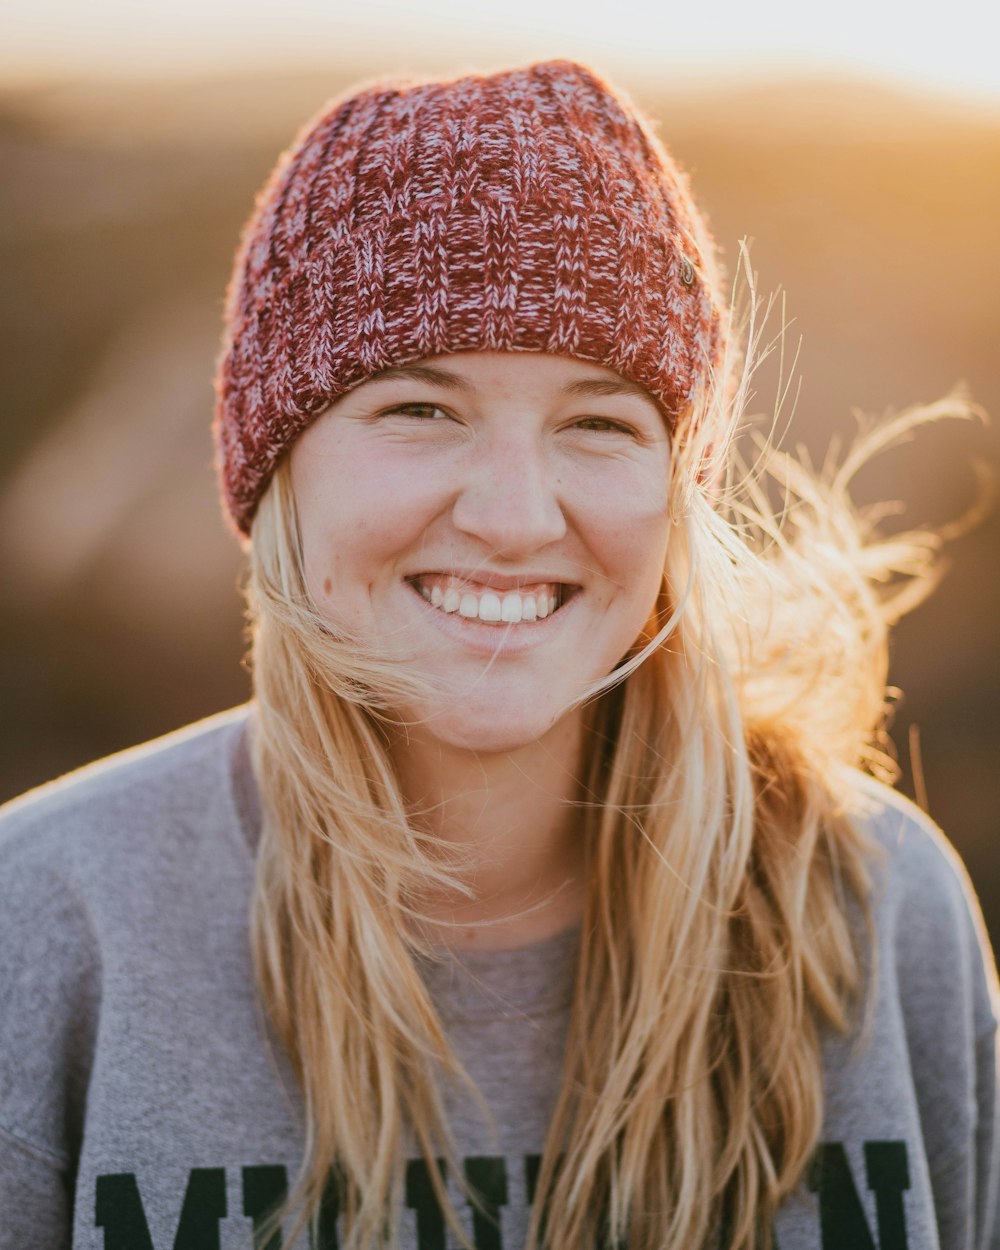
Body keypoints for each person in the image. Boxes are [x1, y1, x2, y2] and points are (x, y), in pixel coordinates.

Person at [0, 58, 996, 1250]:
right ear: (276, 473)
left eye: (598, 421)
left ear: (677, 494)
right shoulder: (48, 924)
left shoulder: (874, 903)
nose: (517, 515)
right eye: (419, 409)